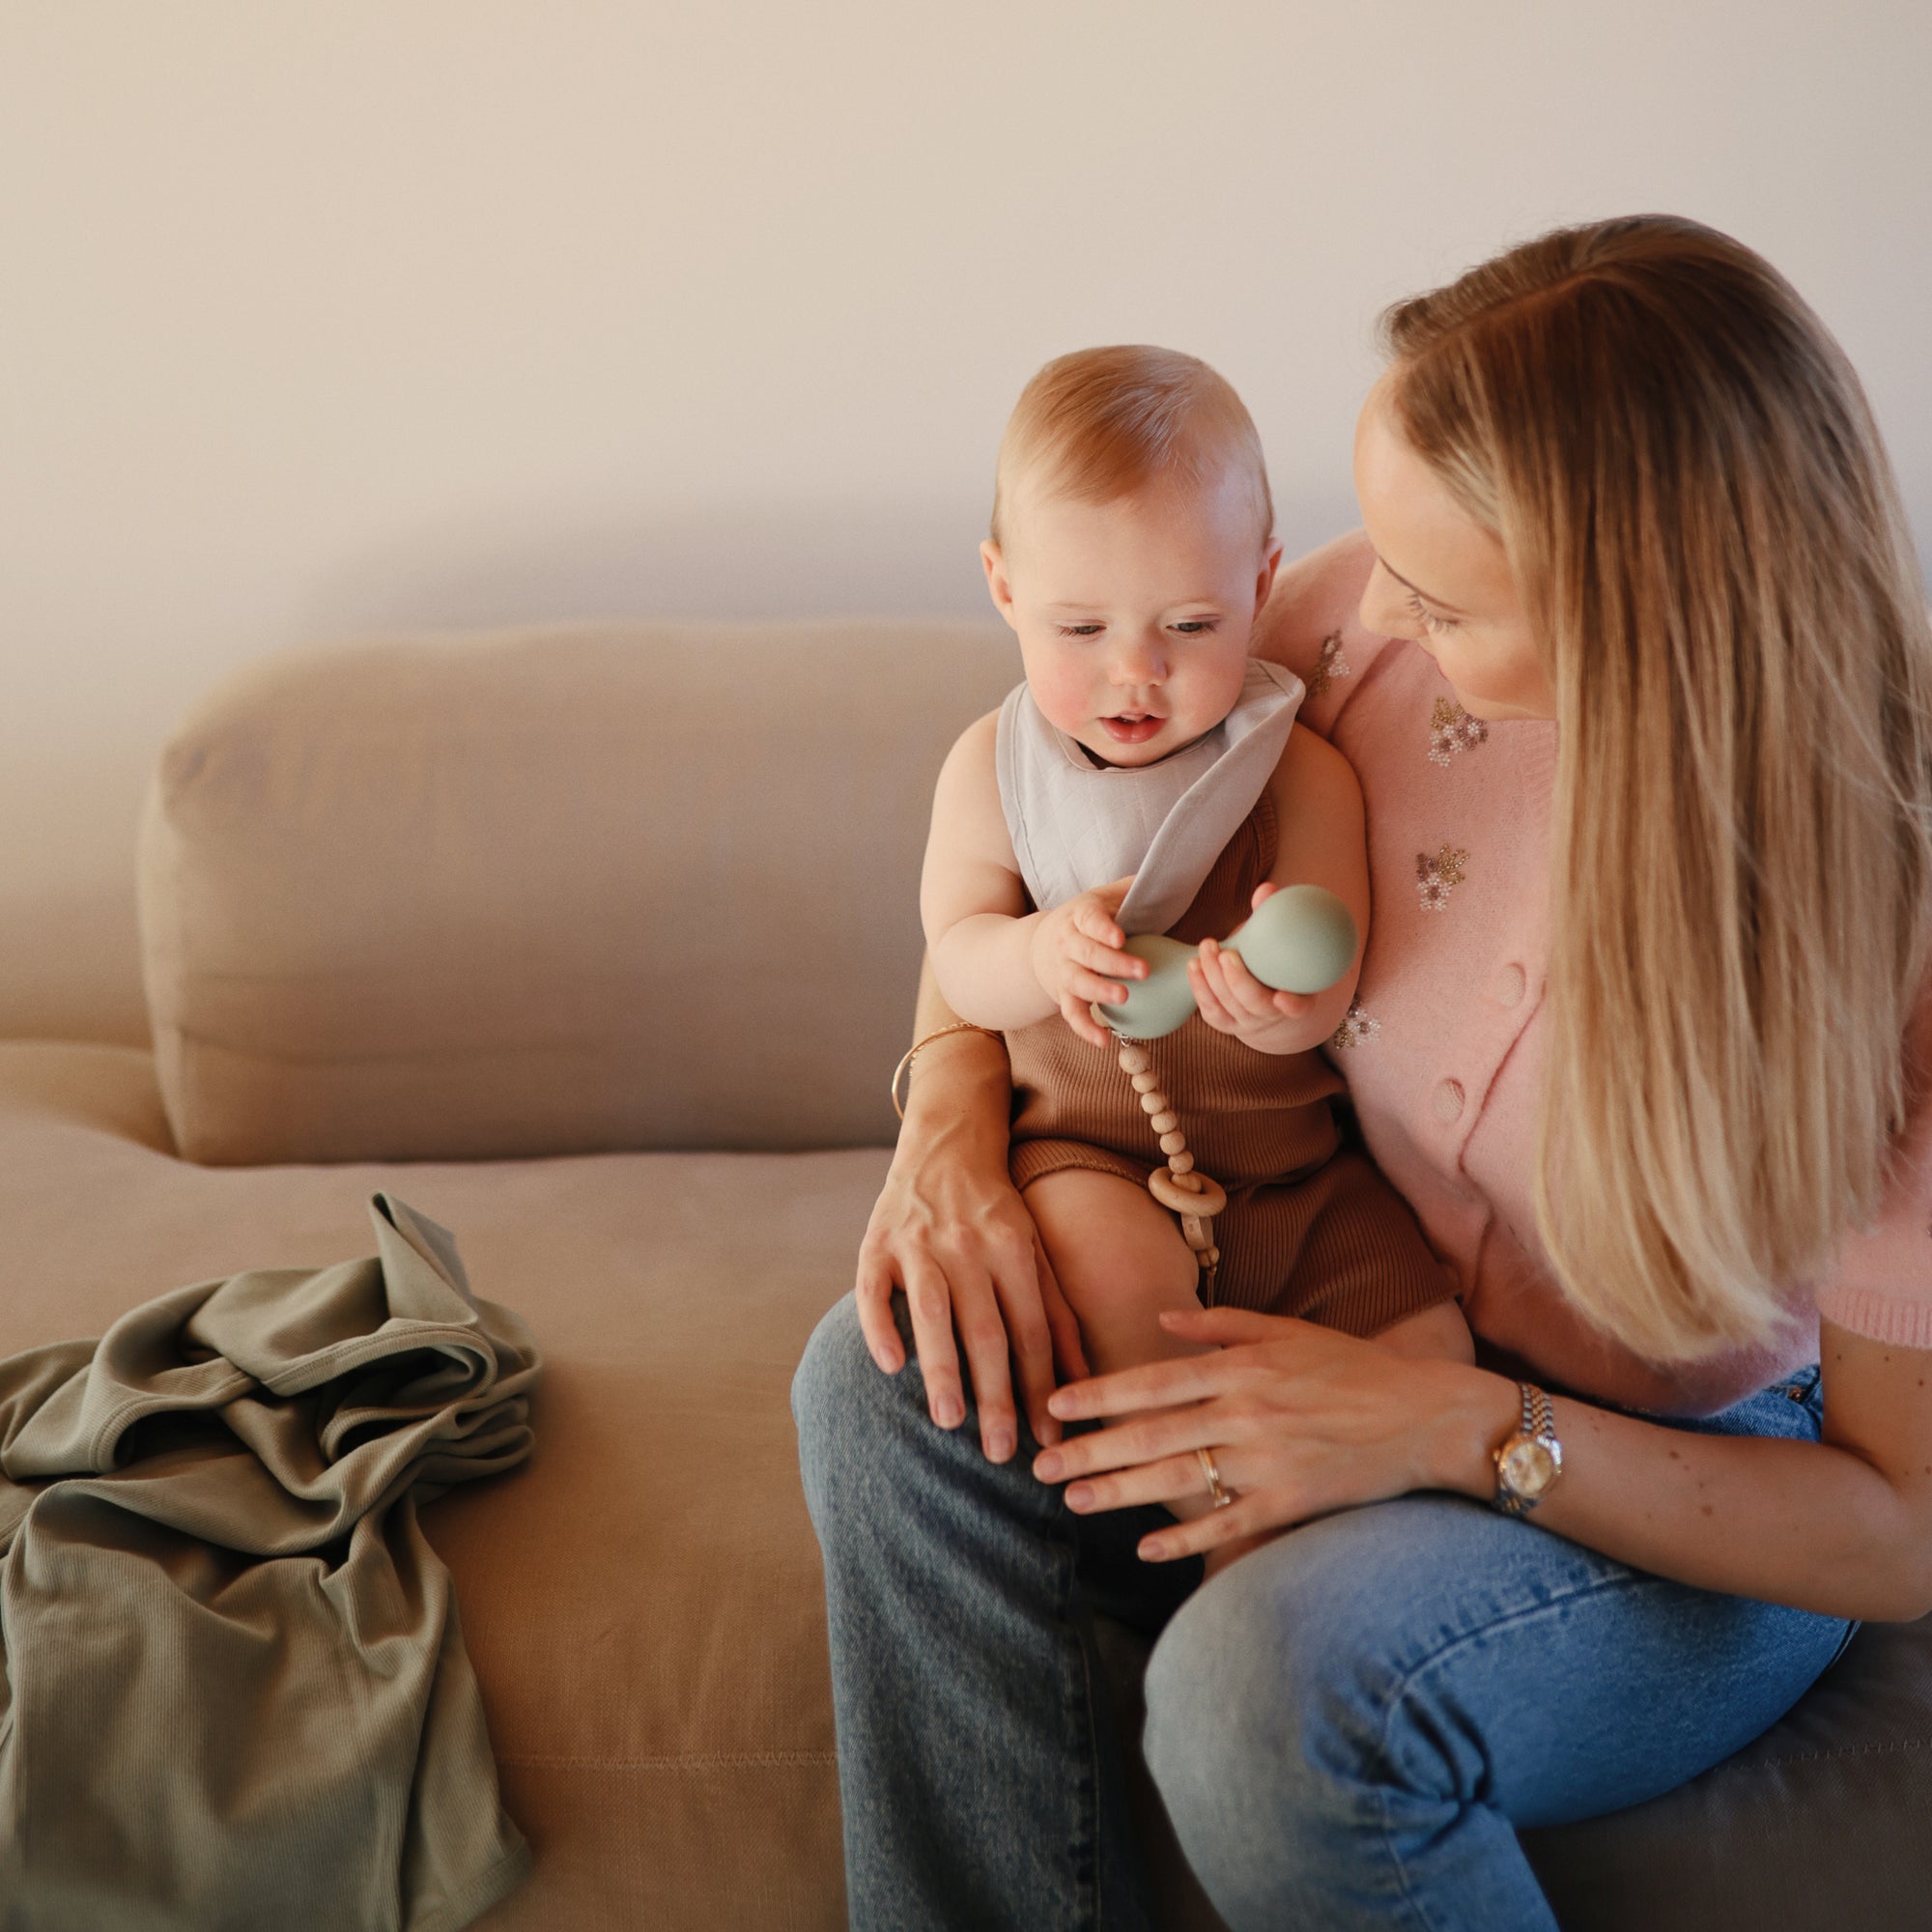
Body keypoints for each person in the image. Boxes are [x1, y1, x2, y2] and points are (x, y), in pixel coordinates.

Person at [793, 213, 1932, 1931]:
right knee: (886, 1374)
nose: (1357, 607)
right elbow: (1040, 875)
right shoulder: (1336, 638)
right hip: (1344, 1315)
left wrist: (1460, 1429)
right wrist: (947, 1124)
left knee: (1275, 1687)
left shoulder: (1889, 916)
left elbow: (1897, 1526)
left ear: (1636, 617)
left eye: (1440, 593)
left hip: (1697, 1490)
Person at [918, 347, 1470, 1536]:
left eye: (1189, 620)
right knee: (1131, 1318)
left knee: (1433, 1347)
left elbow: (1326, 965)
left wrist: (1278, 1004)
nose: (1137, 670)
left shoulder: (1298, 766)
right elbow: (956, 953)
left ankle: (1369, 1534)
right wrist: (1035, 955)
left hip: (1300, 1175)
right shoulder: (991, 770)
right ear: (1002, 585)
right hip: (1089, 1158)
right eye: (1079, 624)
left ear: (1260, 581)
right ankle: (1226, 1528)